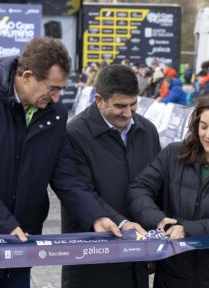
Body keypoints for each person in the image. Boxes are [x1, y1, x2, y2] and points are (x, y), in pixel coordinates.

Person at [0, 38, 120, 288]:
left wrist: (95, 216)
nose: (56, 97)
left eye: (61, 89)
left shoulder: (55, 114)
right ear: (27, 76)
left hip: (21, 234)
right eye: (52, 88)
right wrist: (5, 225)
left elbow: (66, 177)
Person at [128, 92, 209, 287]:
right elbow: (138, 189)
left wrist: (186, 229)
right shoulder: (173, 153)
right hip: (173, 274)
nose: (208, 134)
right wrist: (158, 219)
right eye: (203, 126)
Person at [61, 64, 161, 288]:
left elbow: (156, 188)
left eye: (133, 104)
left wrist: (156, 234)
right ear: (99, 100)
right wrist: (122, 223)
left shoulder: (148, 131)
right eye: (120, 106)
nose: (128, 112)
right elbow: (81, 192)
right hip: (92, 261)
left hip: (137, 258)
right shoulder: (74, 134)